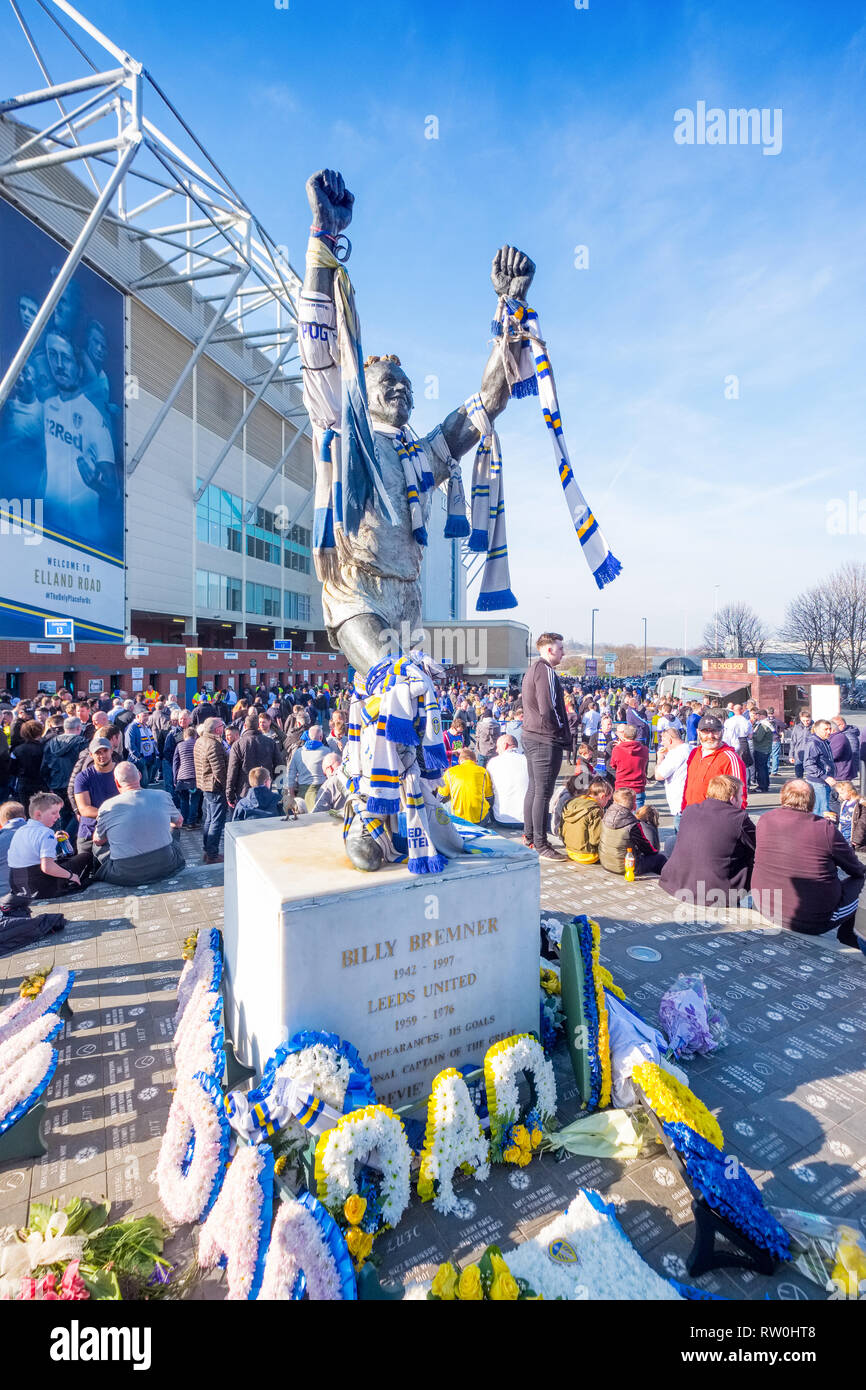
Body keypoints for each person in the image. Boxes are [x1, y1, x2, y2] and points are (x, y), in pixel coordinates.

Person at [751, 780, 865, 942]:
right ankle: (851, 940)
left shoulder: (765, 819)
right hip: (814, 920)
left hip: (764, 904)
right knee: (863, 883)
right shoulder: (824, 829)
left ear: (782, 798)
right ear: (812, 802)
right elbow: (856, 869)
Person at [660, 774, 755, 904]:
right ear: (732, 798)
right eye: (740, 796)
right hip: (715, 891)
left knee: (673, 840)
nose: (741, 800)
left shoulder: (690, 810)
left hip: (676, 883)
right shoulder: (738, 817)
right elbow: (759, 845)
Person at [92, 763, 184, 886]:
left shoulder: (107, 806)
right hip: (166, 865)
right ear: (139, 776)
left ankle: (94, 873)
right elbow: (179, 822)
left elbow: (98, 841)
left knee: (95, 845)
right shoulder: (162, 795)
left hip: (126, 874)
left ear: (117, 782)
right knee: (174, 829)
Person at [521, 632, 570, 859]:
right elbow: (548, 708)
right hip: (544, 737)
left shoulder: (533, 670)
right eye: (560, 648)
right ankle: (541, 843)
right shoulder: (546, 671)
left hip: (532, 735)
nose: (563, 653)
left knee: (534, 789)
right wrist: (561, 728)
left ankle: (530, 837)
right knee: (542, 792)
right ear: (549, 649)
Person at [7, 792, 92, 898]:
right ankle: (76, 881)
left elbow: (33, 850)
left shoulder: (21, 830)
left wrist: (54, 839)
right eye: (54, 813)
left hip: (17, 885)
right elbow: (47, 867)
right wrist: (71, 875)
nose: (58, 816)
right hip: (40, 886)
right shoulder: (46, 833)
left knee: (61, 860)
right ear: (38, 814)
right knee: (86, 856)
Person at [682, 715, 748, 810]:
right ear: (698, 732)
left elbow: (740, 797)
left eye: (715, 731)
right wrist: (684, 810)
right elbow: (687, 786)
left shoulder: (730, 758)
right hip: (691, 815)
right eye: (705, 732)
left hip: (715, 819)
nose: (710, 736)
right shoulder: (694, 753)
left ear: (722, 732)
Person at [599, 788, 666, 877]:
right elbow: (646, 847)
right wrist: (655, 853)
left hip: (605, 861)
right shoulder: (632, 823)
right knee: (660, 858)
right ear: (634, 806)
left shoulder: (606, 815)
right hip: (626, 867)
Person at [40, 715, 87, 835]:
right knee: (78, 814)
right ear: (78, 727)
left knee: (61, 816)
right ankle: (66, 841)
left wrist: (49, 784)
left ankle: (60, 843)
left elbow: (44, 767)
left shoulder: (51, 743)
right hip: (75, 785)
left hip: (56, 784)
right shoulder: (81, 743)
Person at [73, 738, 120, 855]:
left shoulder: (122, 770)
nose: (102, 755)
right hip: (90, 831)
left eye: (105, 751)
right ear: (91, 755)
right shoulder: (83, 777)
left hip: (119, 829)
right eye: (98, 752)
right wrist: (113, 814)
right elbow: (84, 809)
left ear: (111, 751)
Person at [193, 717, 229, 865]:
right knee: (216, 821)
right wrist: (228, 787)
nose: (224, 728)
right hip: (215, 787)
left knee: (209, 819)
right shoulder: (213, 745)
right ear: (217, 729)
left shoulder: (200, 740)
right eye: (222, 726)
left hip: (205, 785)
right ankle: (212, 854)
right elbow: (219, 771)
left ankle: (207, 851)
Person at [227, 715, 280, 807]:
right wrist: (271, 780)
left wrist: (230, 795)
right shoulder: (270, 742)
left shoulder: (238, 744)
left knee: (246, 818)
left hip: (244, 790)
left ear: (244, 726)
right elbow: (279, 766)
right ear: (258, 726)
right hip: (265, 787)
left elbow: (232, 770)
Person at [560, 777, 612, 863]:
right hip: (588, 856)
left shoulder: (571, 802)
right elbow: (595, 840)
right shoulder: (595, 810)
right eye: (608, 799)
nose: (607, 802)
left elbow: (561, 830)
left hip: (569, 851)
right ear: (602, 796)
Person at [437, 749, 493, 825]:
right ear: (475, 761)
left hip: (458, 820)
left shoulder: (450, 772)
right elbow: (489, 798)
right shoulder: (483, 771)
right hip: (480, 821)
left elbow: (440, 797)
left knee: (443, 804)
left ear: (459, 761)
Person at [485, 734, 528, 828]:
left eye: (497, 747)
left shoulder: (493, 762)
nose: (496, 750)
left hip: (501, 818)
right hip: (527, 819)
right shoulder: (528, 760)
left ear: (505, 745)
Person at [653, 727, 690, 831]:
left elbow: (659, 775)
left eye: (663, 740)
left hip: (680, 802)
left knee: (679, 837)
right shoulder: (689, 748)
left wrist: (660, 758)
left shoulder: (676, 753)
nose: (662, 743)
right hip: (688, 800)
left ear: (669, 740)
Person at [286, 724, 329, 811]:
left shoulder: (298, 752)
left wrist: (291, 794)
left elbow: (291, 774)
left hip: (303, 792)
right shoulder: (326, 751)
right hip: (321, 791)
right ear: (321, 737)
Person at [802, 718, 837, 818]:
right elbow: (809, 764)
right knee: (821, 812)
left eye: (830, 729)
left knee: (825, 810)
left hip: (825, 782)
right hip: (818, 782)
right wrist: (825, 776)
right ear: (817, 730)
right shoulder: (813, 743)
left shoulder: (824, 741)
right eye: (825, 729)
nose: (829, 732)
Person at [609, 725, 650, 809]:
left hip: (622, 787)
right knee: (638, 818)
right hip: (638, 787)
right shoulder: (644, 749)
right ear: (636, 736)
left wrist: (621, 746)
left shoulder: (617, 749)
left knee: (621, 817)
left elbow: (613, 765)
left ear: (624, 735)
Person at [172, 725, 201, 828]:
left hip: (182, 777)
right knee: (194, 800)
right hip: (195, 777)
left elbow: (175, 762)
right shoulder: (198, 744)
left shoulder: (179, 746)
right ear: (195, 735)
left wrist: (175, 778)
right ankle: (191, 822)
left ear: (185, 736)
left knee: (183, 800)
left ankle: (183, 821)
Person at [126, 707, 159, 787]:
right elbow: (129, 744)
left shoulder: (146, 727)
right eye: (144, 716)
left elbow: (151, 742)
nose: (146, 718)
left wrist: (155, 753)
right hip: (139, 760)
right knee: (142, 784)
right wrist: (139, 757)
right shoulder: (132, 727)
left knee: (146, 783)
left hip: (149, 758)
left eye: (147, 715)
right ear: (137, 716)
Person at [0, 800, 26, 894]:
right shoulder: (36, 831)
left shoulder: (2, 837)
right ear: (24, 817)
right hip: (35, 889)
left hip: (5, 893)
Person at [828, 714, 861, 785]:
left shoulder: (849, 736)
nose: (831, 728)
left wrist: (852, 769)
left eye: (834, 726)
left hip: (844, 770)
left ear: (842, 725)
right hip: (842, 769)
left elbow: (854, 753)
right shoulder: (840, 735)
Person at [835, 781, 866, 851]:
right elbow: (842, 819)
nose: (840, 795)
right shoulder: (844, 803)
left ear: (850, 792)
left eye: (842, 793)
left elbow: (862, 824)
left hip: (852, 839)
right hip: (843, 836)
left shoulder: (860, 805)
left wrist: (857, 839)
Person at [750, 708, 773, 794]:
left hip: (761, 749)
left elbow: (759, 738)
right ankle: (765, 785)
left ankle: (762, 786)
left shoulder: (763, 725)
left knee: (761, 769)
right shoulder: (766, 724)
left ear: (762, 716)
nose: (756, 717)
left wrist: (752, 735)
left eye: (758, 715)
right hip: (765, 749)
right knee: (764, 768)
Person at [789, 708, 812, 778]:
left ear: (810, 718)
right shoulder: (797, 728)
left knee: (812, 775)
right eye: (803, 720)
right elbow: (793, 742)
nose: (806, 722)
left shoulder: (815, 727)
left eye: (807, 720)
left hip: (811, 755)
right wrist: (791, 755)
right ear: (800, 719)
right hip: (798, 754)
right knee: (798, 775)